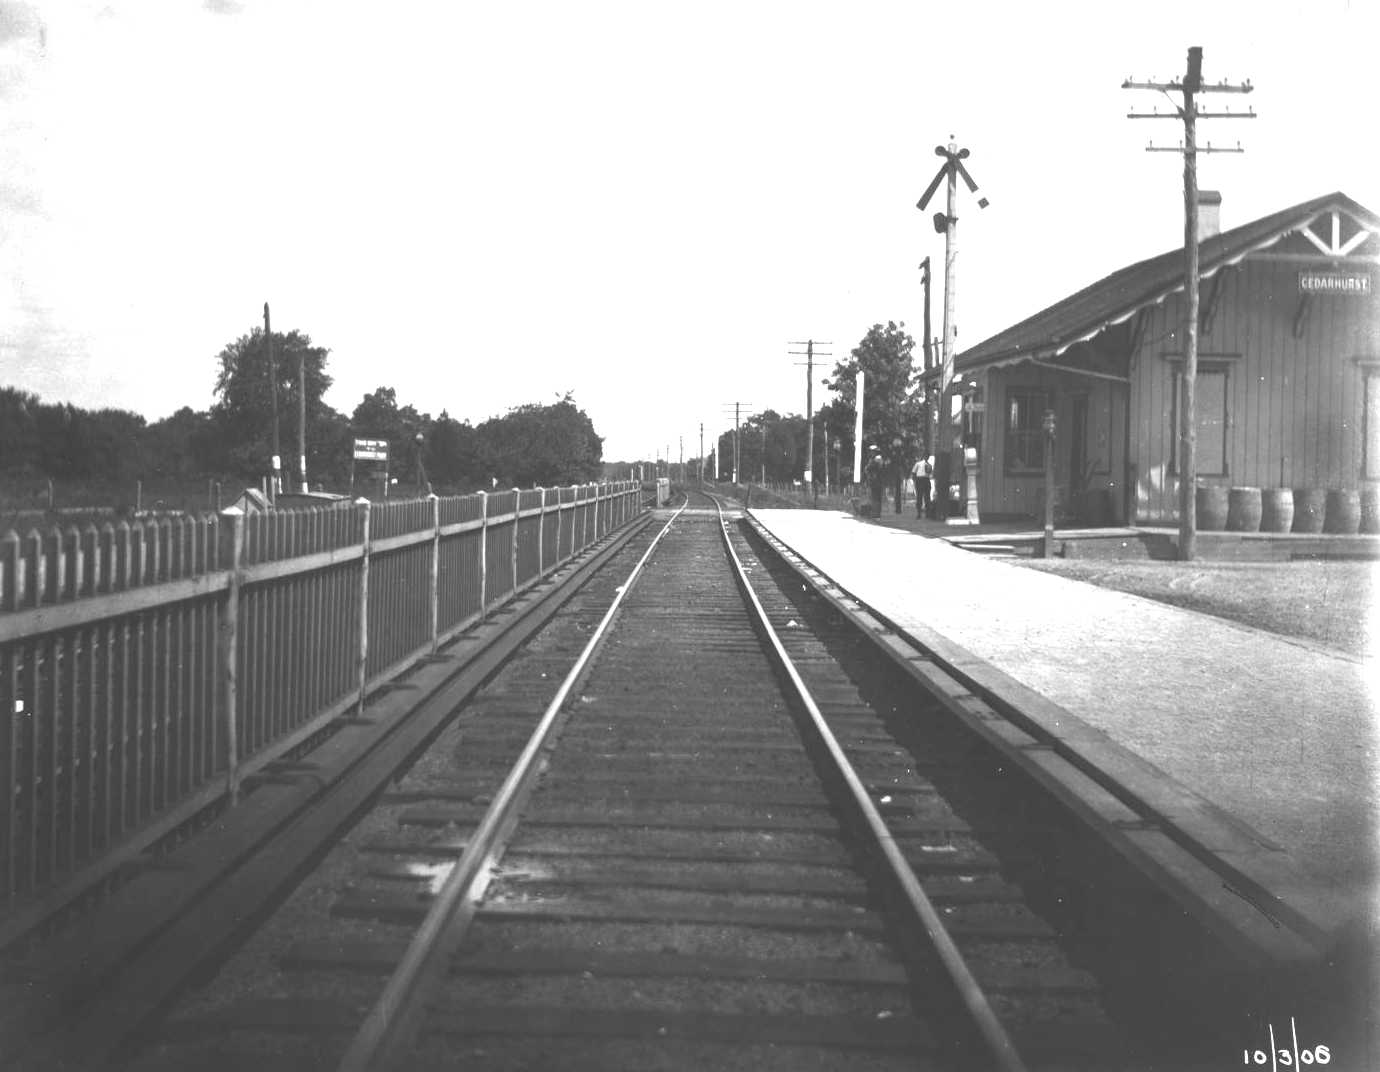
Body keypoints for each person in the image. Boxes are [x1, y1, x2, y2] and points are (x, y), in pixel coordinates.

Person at [863, 446, 886, 517]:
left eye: (872, 451)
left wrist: (868, 468)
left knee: (876, 497)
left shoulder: (878, 458)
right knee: (873, 496)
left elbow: (873, 468)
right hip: (873, 480)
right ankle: (874, 512)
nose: (871, 453)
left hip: (877, 480)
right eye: (870, 451)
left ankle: (876, 513)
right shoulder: (873, 459)